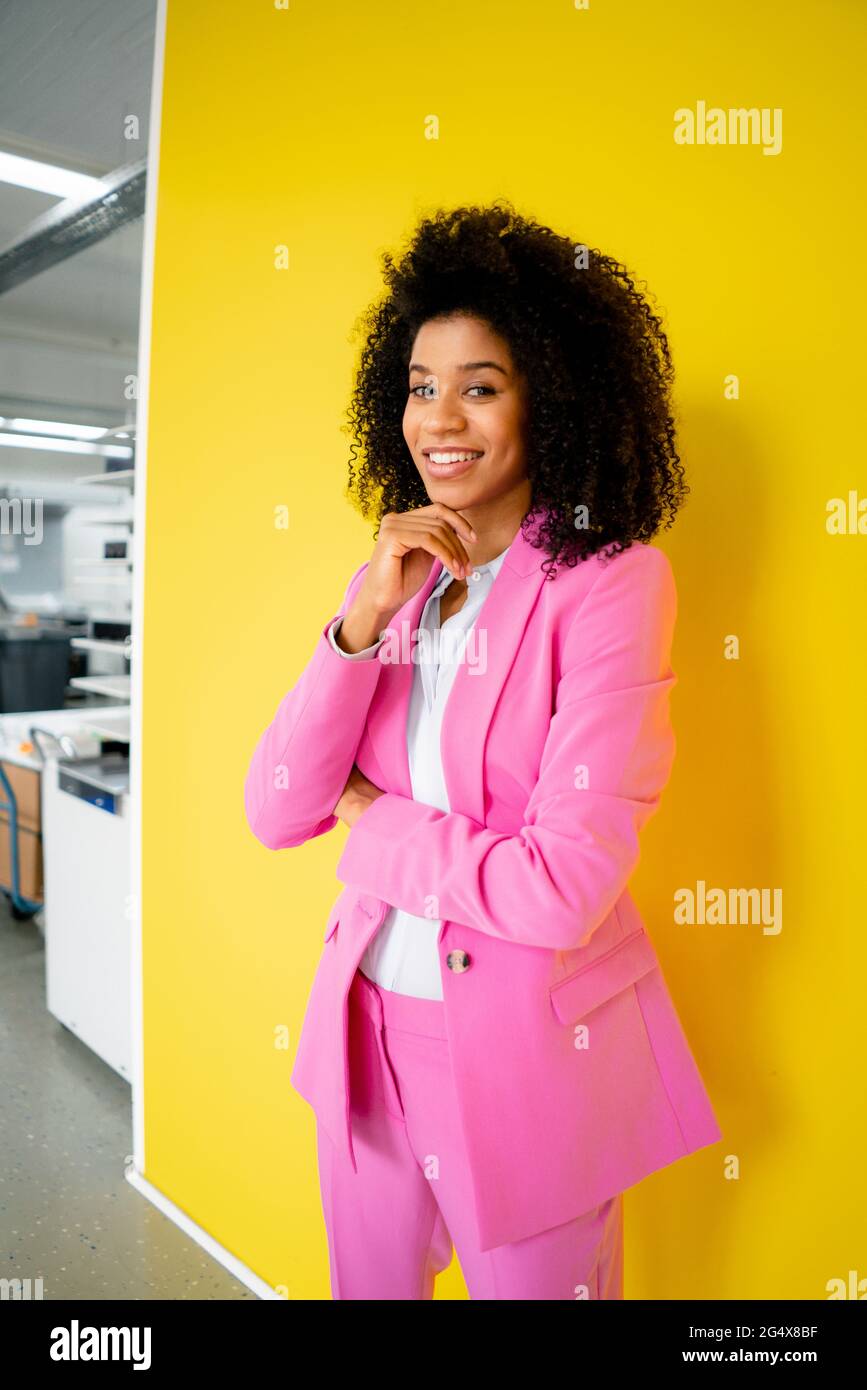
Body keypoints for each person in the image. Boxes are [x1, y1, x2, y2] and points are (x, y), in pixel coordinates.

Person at [244, 201, 722, 1300]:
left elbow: (564, 887)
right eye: (420, 384)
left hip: (534, 1064)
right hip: (364, 1037)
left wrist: (372, 824)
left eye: (480, 384)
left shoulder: (611, 586)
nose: (439, 418)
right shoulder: (395, 577)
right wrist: (361, 617)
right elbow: (276, 809)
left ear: (548, 397)